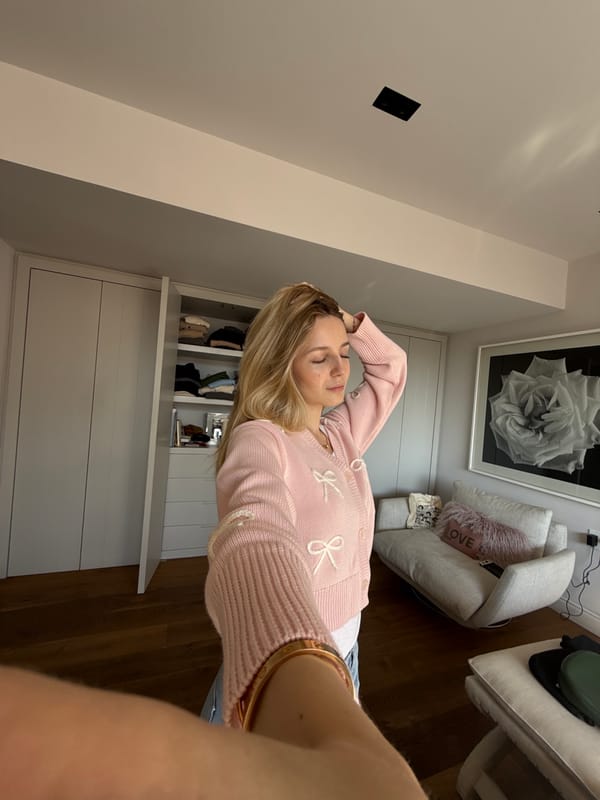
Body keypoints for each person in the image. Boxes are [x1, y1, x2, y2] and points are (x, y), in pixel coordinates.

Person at [201, 282, 407, 728]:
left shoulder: (341, 433)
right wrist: (293, 654)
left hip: (347, 651)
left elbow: (391, 367)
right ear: (281, 363)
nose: (340, 369)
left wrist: (342, 319)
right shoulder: (260, 438)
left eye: (345, 353)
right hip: (289, 665)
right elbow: (253, 529)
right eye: (319, 358)